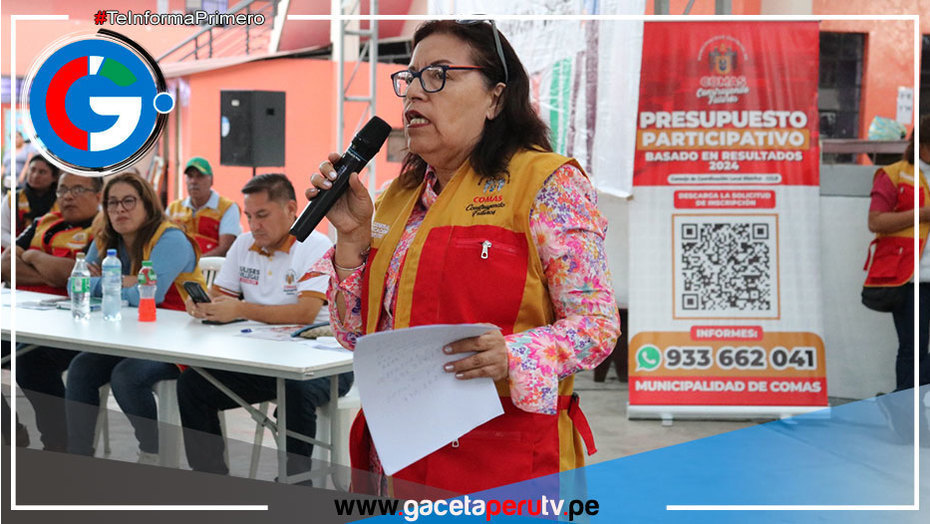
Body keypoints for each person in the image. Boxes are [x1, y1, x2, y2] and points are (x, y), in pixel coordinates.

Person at [304, 20, 620, 496]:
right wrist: (350, 240)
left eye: (438, 75)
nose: (414, 92)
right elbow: (355, 337)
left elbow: (597, 325)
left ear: (496, 97)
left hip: (498, 462)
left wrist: (511, 354)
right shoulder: (393, 198)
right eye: (409, 78)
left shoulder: (549, 185)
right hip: (396, 456)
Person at [177, 173, 352, 479]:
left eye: (262, 215)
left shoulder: (315, 244)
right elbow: (220, 295)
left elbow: (306, 312)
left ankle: (296, 484)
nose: (254, 225)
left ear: (291, 209)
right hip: (264, 360)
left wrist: (240, 308)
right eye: (248, 216)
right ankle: (210, 478)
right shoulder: (244, 244)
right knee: (194, 384)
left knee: (295, 391)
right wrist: (202, 304)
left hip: (323, 363)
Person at [64, 171, 205, 462]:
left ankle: (153, 451)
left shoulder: (171, 238)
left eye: (129, 201)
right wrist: (122, 282)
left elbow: (149, 296)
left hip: (179, 342)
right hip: (130, 337)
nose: (120, 210)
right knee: (81, 367)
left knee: (126, 376)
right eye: (112, 203)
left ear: (147, 205)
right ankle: (78, 458)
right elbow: (74, 285)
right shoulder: (106, 238)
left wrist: (105, 281)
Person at [1, 172, 102, 452]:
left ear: (98, 196)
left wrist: (32, 256)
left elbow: (74, 275)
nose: (67, 196)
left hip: (75, 324)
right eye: (62, 190)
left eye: (77, 189)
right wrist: (54, 273)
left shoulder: (104, 229)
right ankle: (9, 429)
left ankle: (59, 445)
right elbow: (6, 264)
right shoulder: (43, 222)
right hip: (25, 316)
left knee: (29, 359)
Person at [867, 115, 930, 445]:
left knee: (915, 354)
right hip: (910, 279)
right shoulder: (894, 174)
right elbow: (876, 221)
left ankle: (897, 402)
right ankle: (911, 424)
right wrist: (923, 214)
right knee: (912, 351)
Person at [166, 156, 241, 257]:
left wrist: (196, 263)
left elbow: (225, 248)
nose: (193, 181)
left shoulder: (228, 207)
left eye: (200, 176)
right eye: (190, 176)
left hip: (211, 265)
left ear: (211, 180)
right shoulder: (173, 208)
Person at [1, 155, 60, 250]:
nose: (35, 175)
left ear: (54, 177)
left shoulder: (61, 202)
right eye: (32, 170)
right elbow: (2, 232)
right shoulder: (12, 198)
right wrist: (20, 248)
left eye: (42, 172)